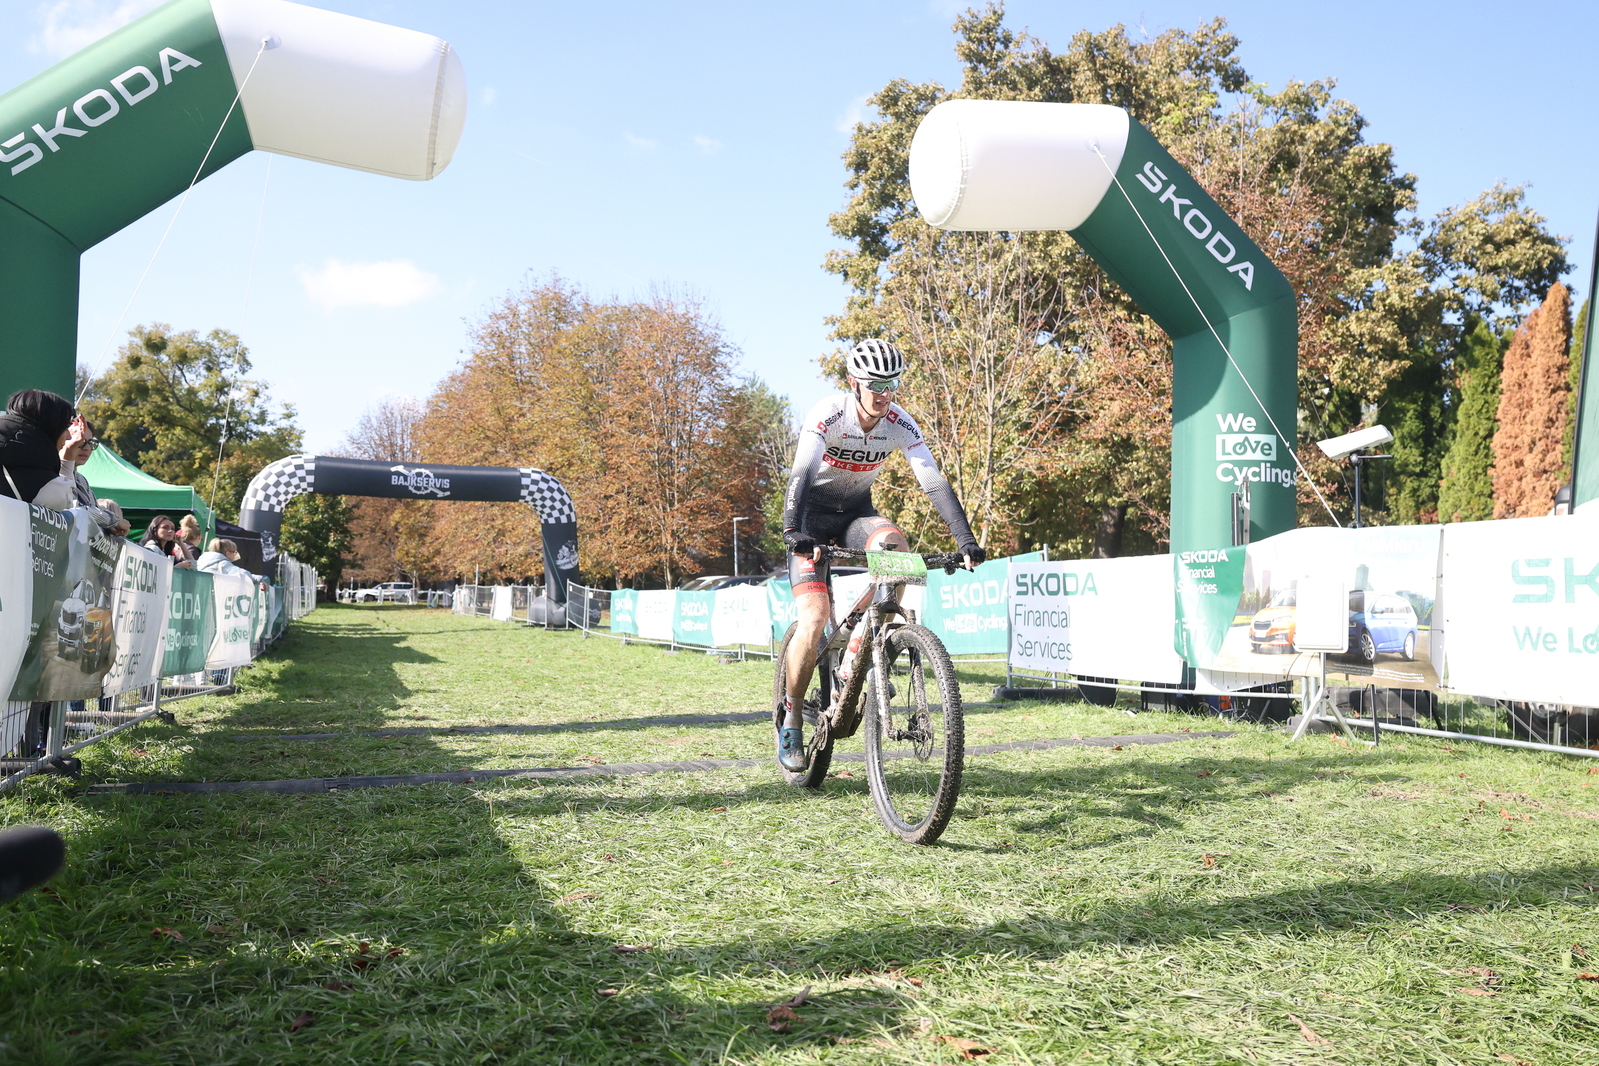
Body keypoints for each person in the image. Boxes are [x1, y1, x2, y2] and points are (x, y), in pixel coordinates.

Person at [775, 339, 983, 772]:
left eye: (892, 384)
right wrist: (792, 529)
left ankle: (858, 655)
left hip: (856, 515)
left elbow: (933, 482)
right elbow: (800, 475)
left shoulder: (899, 423)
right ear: (854, 383)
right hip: (811, 518)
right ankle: (791, 717)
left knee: (898, 551)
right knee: (814, 618)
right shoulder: (829, 415)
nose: (885, 393)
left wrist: (964, 539)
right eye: (876, 384)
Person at [0, 389, 90, 510]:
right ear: (51, 425)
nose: (68, 436)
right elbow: (67, 504)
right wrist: (68, 455)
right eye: (65, 427)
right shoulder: (36, 471)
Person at [57, 419, 130, 536]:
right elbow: (75, 508)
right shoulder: (53, 472)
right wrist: (114, 521)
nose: (86, 448)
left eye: (90, 442)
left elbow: (93, 508)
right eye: (80, 440)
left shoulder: (81, 479)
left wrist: (109, 526)